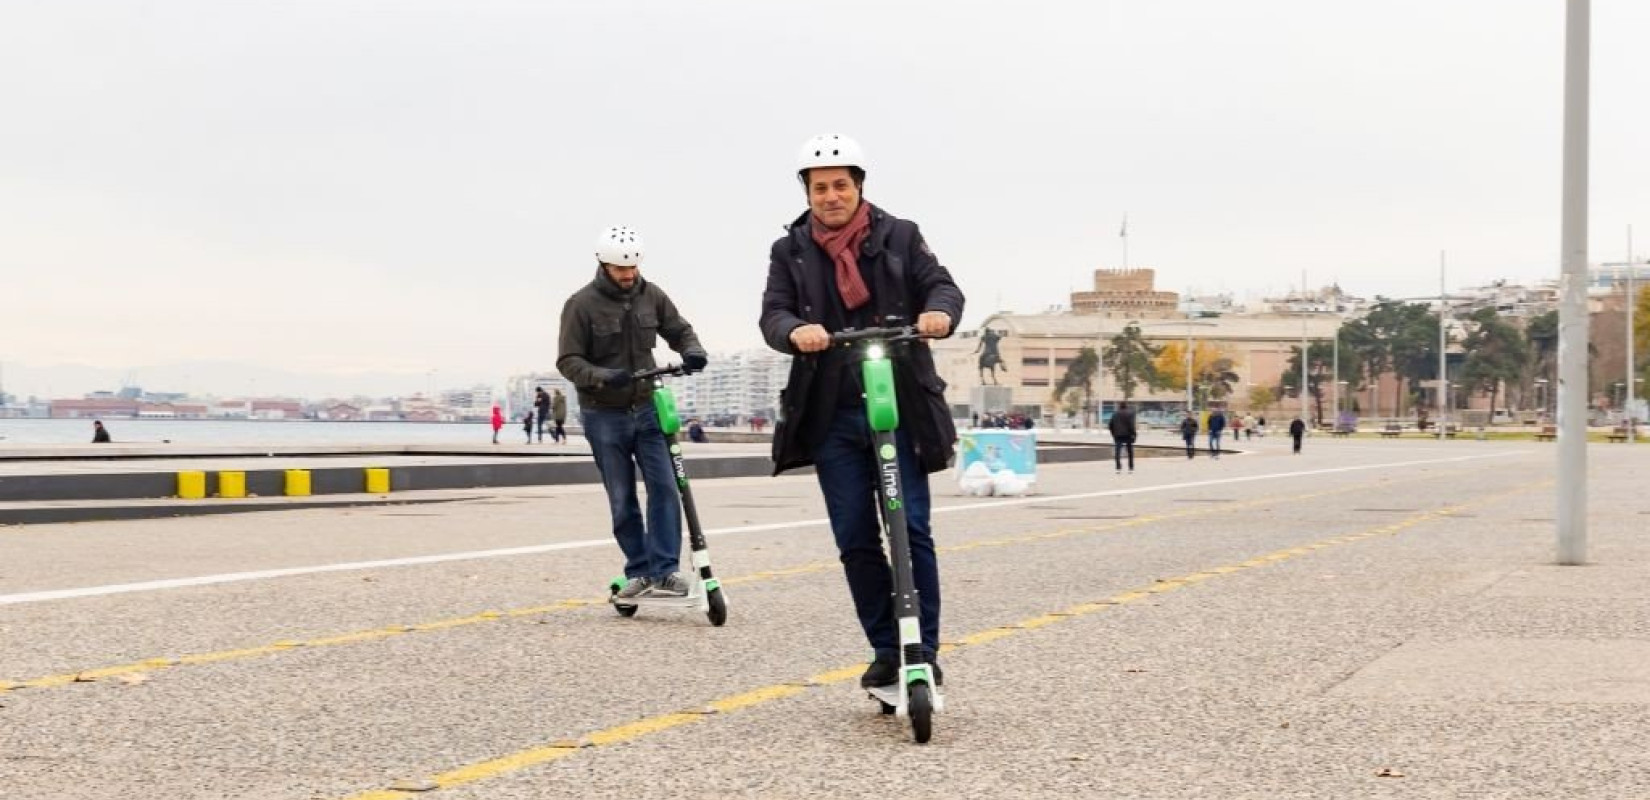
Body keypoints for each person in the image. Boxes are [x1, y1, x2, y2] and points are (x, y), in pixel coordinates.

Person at [760, 133, 964, 690]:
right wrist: (796, 330)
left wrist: (938, 314)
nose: (831, 196)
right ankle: (884, 646)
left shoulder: (901, 236)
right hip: (832, 413)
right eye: (820, 187)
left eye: (841, 185)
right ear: (807, 192)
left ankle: (922, 646)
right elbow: (773, 313)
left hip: (901, 404)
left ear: (859, 187)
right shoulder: (790, 251)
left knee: (912, 527)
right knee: (854, 536)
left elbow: (942, 287)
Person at [558, 225, 708, 600]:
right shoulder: (581, 305)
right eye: (620, 269)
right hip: (603, 414)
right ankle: (639, 571)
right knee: (621, 497)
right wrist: (604, 377)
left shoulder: (651, 295)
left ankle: (666, 570)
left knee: (664, 488)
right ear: (603, 264)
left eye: (633, 268)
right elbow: (568, 361)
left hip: (647, 407)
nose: (628, 276)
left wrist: (693, 350)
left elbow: (679, 328)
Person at [1108, 401, 1137, 474]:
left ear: (1119, 406)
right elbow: (1131, 425)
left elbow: (1110, 425)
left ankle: (1118, 468)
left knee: (1117, 452)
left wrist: (1113, 434)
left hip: (1118, 435)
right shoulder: (1130, 413)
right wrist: (1134, 434)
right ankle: (1130, 468)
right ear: (1126, 406)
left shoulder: (1115, 414)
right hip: (1128, 435)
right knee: (1130, 452)